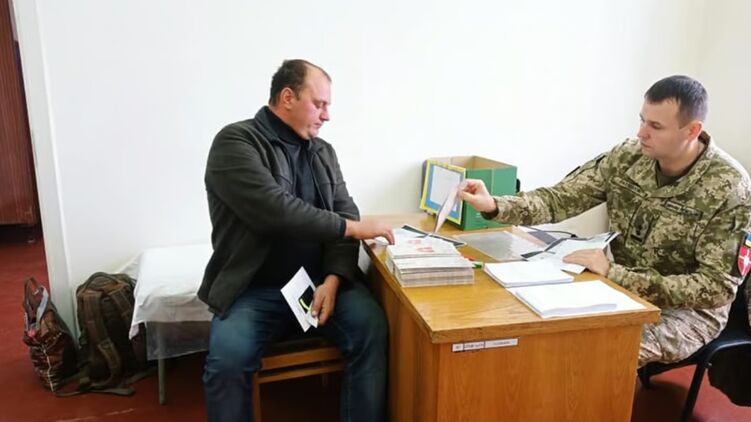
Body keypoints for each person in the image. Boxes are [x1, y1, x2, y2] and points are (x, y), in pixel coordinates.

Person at [459, 75, 751, 367]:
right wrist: (495, 205)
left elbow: (716, 288)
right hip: (616, 288)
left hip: (685, 313)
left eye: (656, 126)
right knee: (536, 327)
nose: (641, 133)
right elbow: (561, 198)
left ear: (692, 130)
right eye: (642, 120)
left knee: (599, 353)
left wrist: (616, 274)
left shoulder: (729, 187)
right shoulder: (628, 156)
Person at [199, 59, 394, 422]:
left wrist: (334, 279)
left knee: (371, 328)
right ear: (287, 97)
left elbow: (344, 209)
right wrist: (352, 228)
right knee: (226, 363)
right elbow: (276, 211)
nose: (327, 116)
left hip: (319, 283)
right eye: (319, 104)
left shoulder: (323, 151)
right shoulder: (235, 142)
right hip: (255, 288)